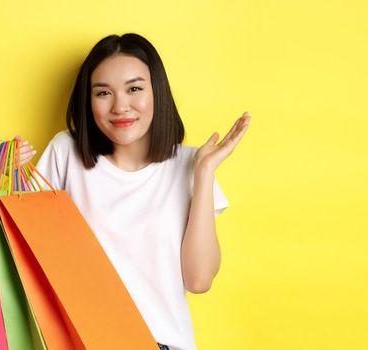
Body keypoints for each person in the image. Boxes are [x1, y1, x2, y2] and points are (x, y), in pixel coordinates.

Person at [12, 33, 250, 350]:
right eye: (103, 93)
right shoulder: (65, 153)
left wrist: (204, 173)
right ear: (88, 100)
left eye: (134, 89)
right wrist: (11, 177)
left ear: (157, 93)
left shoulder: (191, 164)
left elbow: (199, 280)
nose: (120, 106)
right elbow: (20, 255)